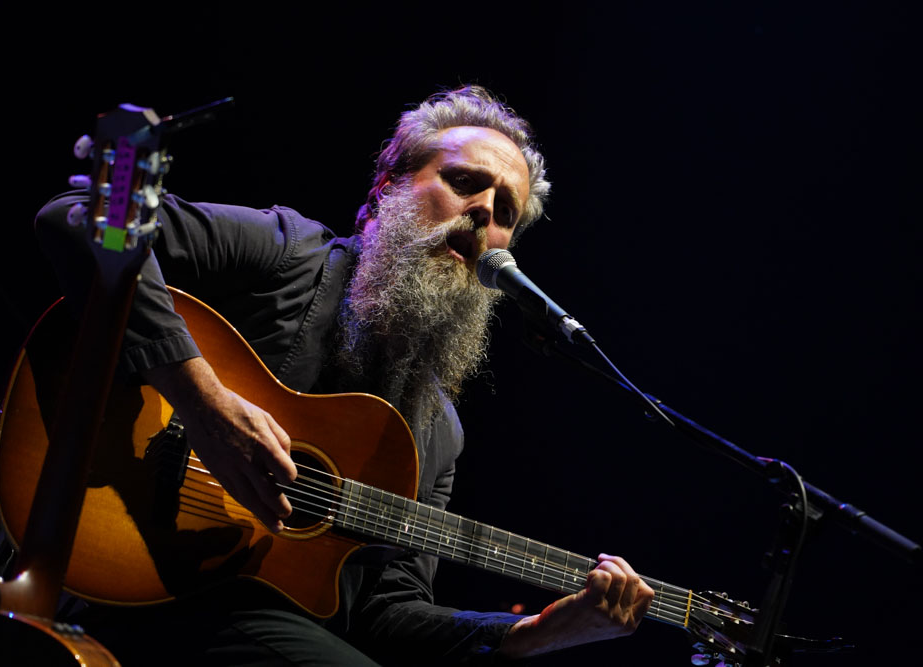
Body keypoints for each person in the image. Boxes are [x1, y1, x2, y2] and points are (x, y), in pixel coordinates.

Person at [35, 86, 654, 665]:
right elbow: (81, 216)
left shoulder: (440, 434)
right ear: (387, 190)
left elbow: (382, 611)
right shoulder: (286, 254)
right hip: (106, 560)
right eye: (464, 181)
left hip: (247, 624)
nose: (483, 211)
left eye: (505, 212)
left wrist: (533, 634)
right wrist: (200, 400)